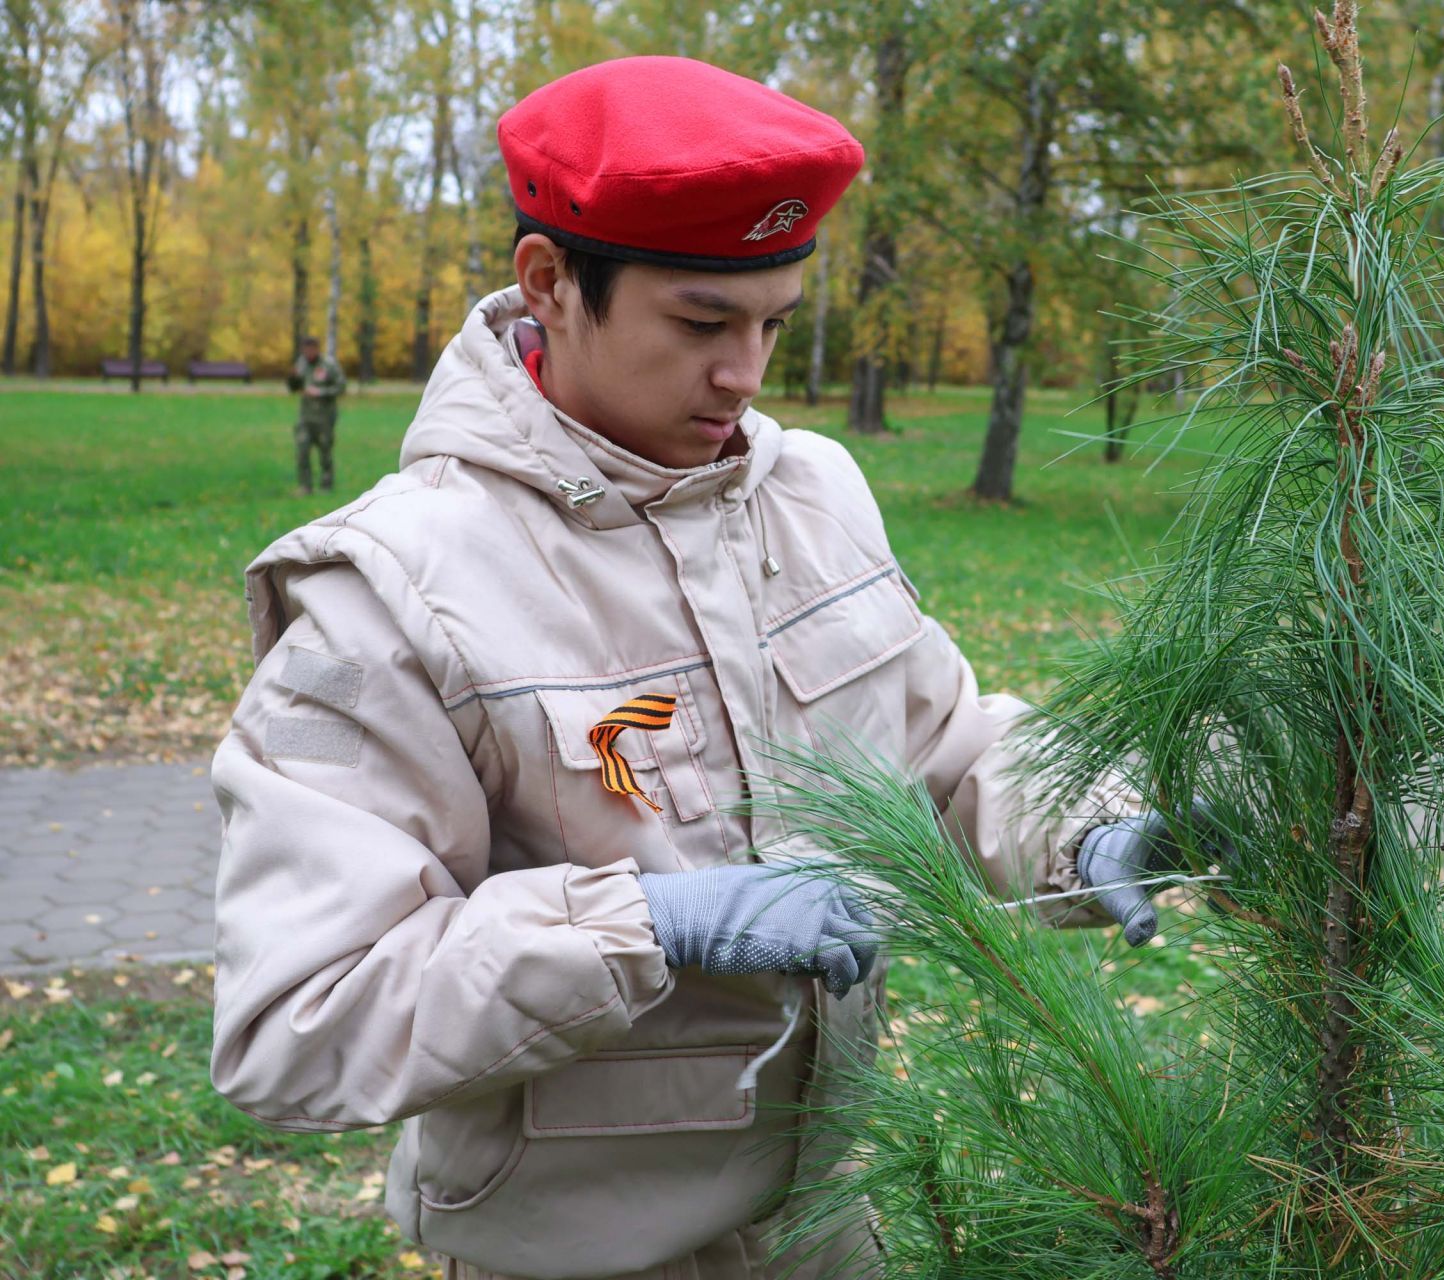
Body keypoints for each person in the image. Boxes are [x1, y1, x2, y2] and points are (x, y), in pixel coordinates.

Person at [208, 57, 1186, 1280]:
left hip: (840, 1223)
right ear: (549, 282)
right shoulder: (389, 585)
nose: (746, 375)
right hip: (582, 1255)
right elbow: (298, 1017)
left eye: (773, 322)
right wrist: (651, 924)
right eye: (702, 323)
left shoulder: (812, 492)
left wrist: (1086, 824)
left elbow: (940, 745)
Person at [287, 334, 345, 495]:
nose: (308, 353)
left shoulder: (328, 365)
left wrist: (320, 392)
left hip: (324, 418)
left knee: (325, 452)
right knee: (302, 451)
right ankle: (305, 486)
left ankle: (326, 486)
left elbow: (341, 387)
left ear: (317, 349)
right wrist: (292, 378)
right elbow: (294, 388)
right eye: (305, 350)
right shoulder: (301, 364)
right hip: (305, 417)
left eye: (311, 350)